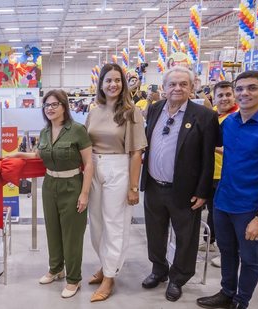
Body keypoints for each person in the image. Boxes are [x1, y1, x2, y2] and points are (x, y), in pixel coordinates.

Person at [197, 71, 258, 309]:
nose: (244, 93)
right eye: (239, 89)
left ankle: (241, 301)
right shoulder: (229, 122)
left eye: (251, 88)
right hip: (224, 201)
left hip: (250, 207)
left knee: (249, 257)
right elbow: (229, 151)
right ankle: (227, 292)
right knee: (227, 251)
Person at [140, 66, 218, 302]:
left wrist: (203, 191)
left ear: (192, 87)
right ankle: (159, 269)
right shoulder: (153, 110)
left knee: (186, 237)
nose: (177, 88)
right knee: (154, 232)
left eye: (183, 84)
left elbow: (208, 157)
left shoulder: (204, 115)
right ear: (163, 88)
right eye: (172, 84)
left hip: (185, 190)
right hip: (154, 185)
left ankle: (178, 278)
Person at [8, 89, 92, 299]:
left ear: (64, 106)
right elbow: (39, 154)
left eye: (55, 104)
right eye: (47, 105)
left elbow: (89, 164)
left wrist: (84, 193)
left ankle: (74, 279)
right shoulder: (45, 132)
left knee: (72, 236)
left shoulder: (78, 130)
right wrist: (19, 154)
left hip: (72, 185)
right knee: (53, 231)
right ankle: (56, 269)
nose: (50, 108)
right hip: (49, 185)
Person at [85, 63, 147, 302]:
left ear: (123, 84)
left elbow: (136, 153)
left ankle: (110, 275)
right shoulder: (94, 110)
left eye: (117, 80)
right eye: (108, 80)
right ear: (101, 84)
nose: (113, 84)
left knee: (115, 224)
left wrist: (133, 186)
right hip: (94, 168)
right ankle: (104, 264)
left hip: (118, 167)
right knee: (97, 223)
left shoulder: (132, 112)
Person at [202, 81, 239, 259]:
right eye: (220, 95)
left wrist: (209, 145)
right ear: (214, 98)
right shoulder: (215, 117)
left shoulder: (236, 118)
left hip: (225, 175)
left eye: (228, 95)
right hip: (211, 173)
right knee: (213, 211)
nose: (224, 99)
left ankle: (226, 251)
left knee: (222, 215)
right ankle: (210, 241)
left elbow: (235, 149)